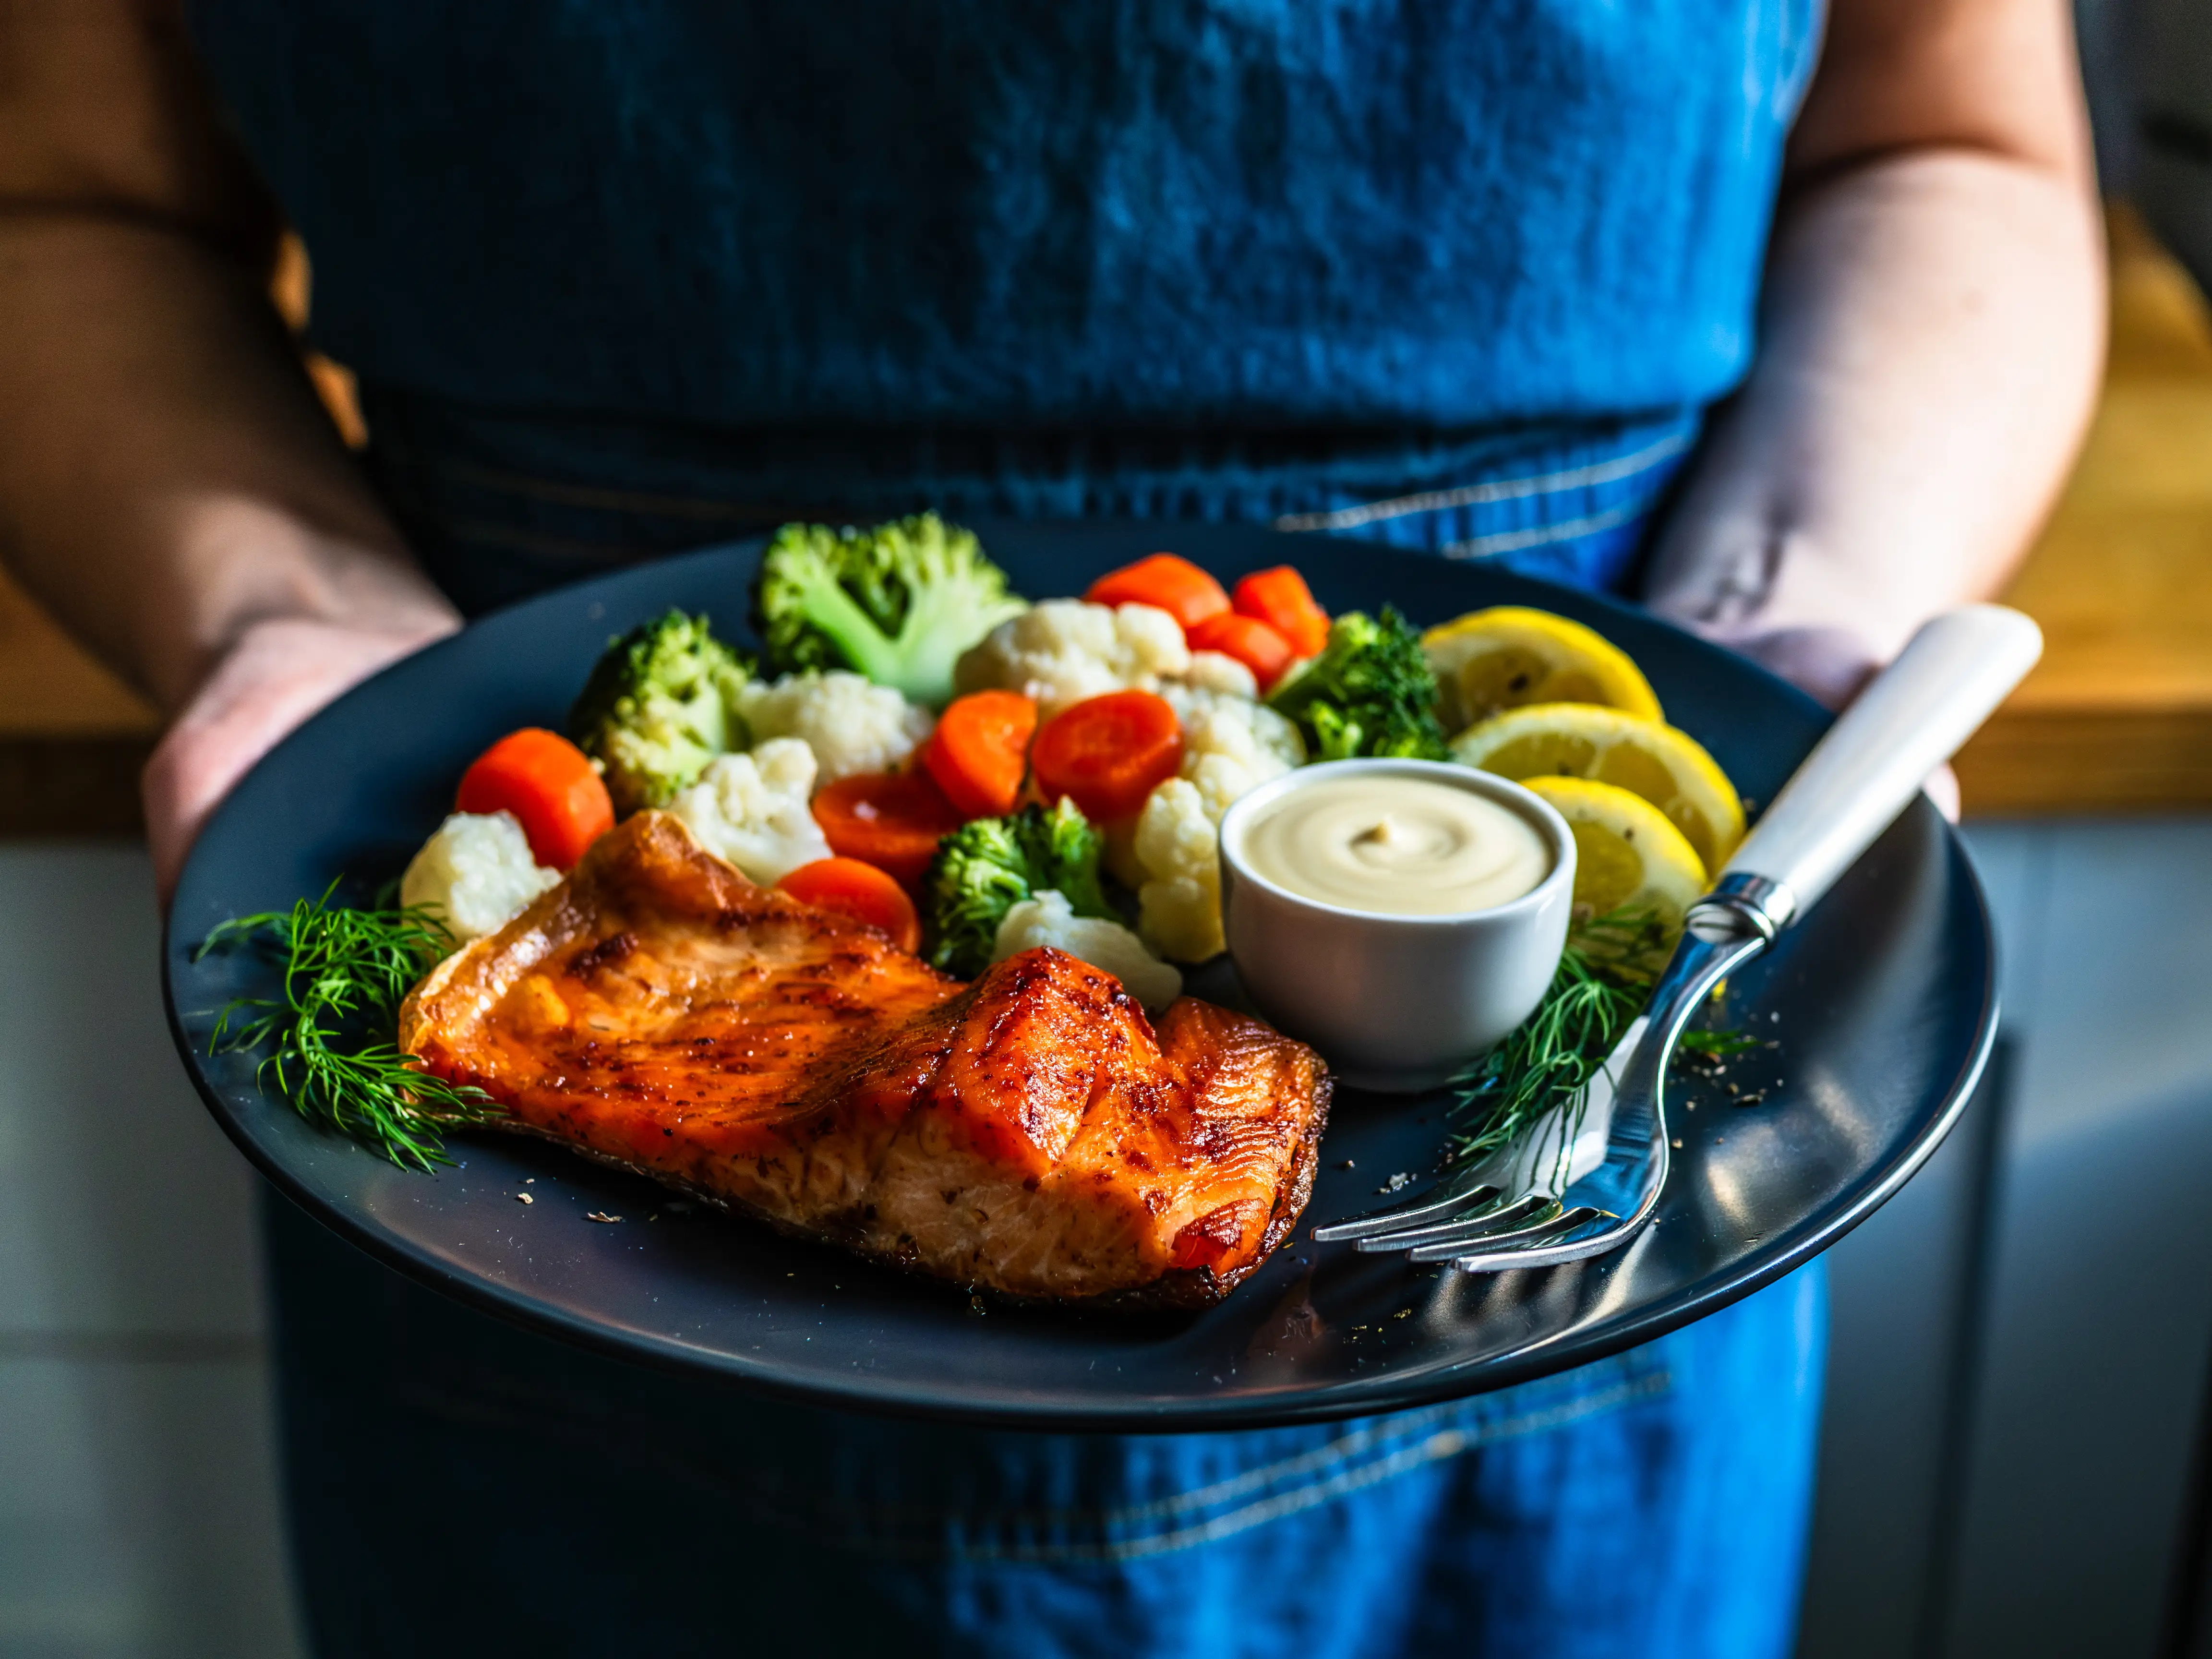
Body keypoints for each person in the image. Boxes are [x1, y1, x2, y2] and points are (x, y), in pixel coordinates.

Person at [0, 2, 2100, 1655]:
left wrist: (1793, 614)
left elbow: (1951, 144)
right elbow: (73, 199)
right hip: (537, 1223)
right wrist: (287, 622)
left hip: (1541, 1216)